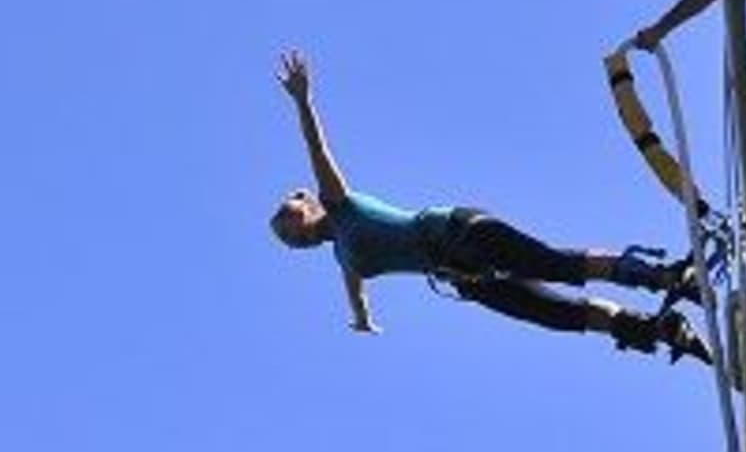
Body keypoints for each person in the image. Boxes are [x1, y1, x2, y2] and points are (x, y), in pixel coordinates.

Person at [269, 50, 710, 364]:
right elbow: (356, 290)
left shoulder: (339, 205)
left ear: (307, 202)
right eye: (287, 241)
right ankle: (654, 330)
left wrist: (303, 100)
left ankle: (664, 276)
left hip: (459, 232)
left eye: (289, 222)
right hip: (464, 278)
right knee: (554, 315)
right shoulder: (346, 257)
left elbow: (317, 147)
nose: (294, 237)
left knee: (553, 264)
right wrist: (362, 320)